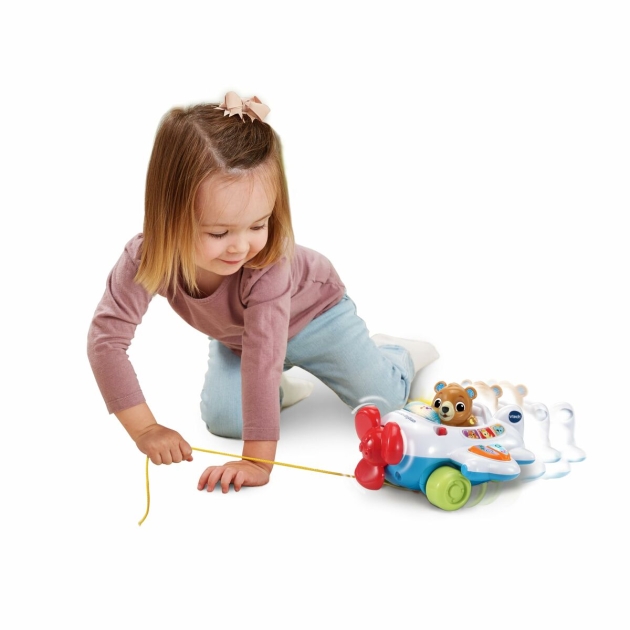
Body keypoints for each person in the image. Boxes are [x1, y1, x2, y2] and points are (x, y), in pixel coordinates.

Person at [87, 91, 439, 495]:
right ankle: (280, 389)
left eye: (258, 225)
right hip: (241, 337)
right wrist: (145, 429)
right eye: (218, 232)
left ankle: (394, 355)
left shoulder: (266, 263)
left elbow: (263, 354)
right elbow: (106, 341)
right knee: (224, 421)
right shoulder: (146, 257)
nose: (241, 247)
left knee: (385, 402)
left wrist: (257, 460)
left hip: (316, 317)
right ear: (169, 216)